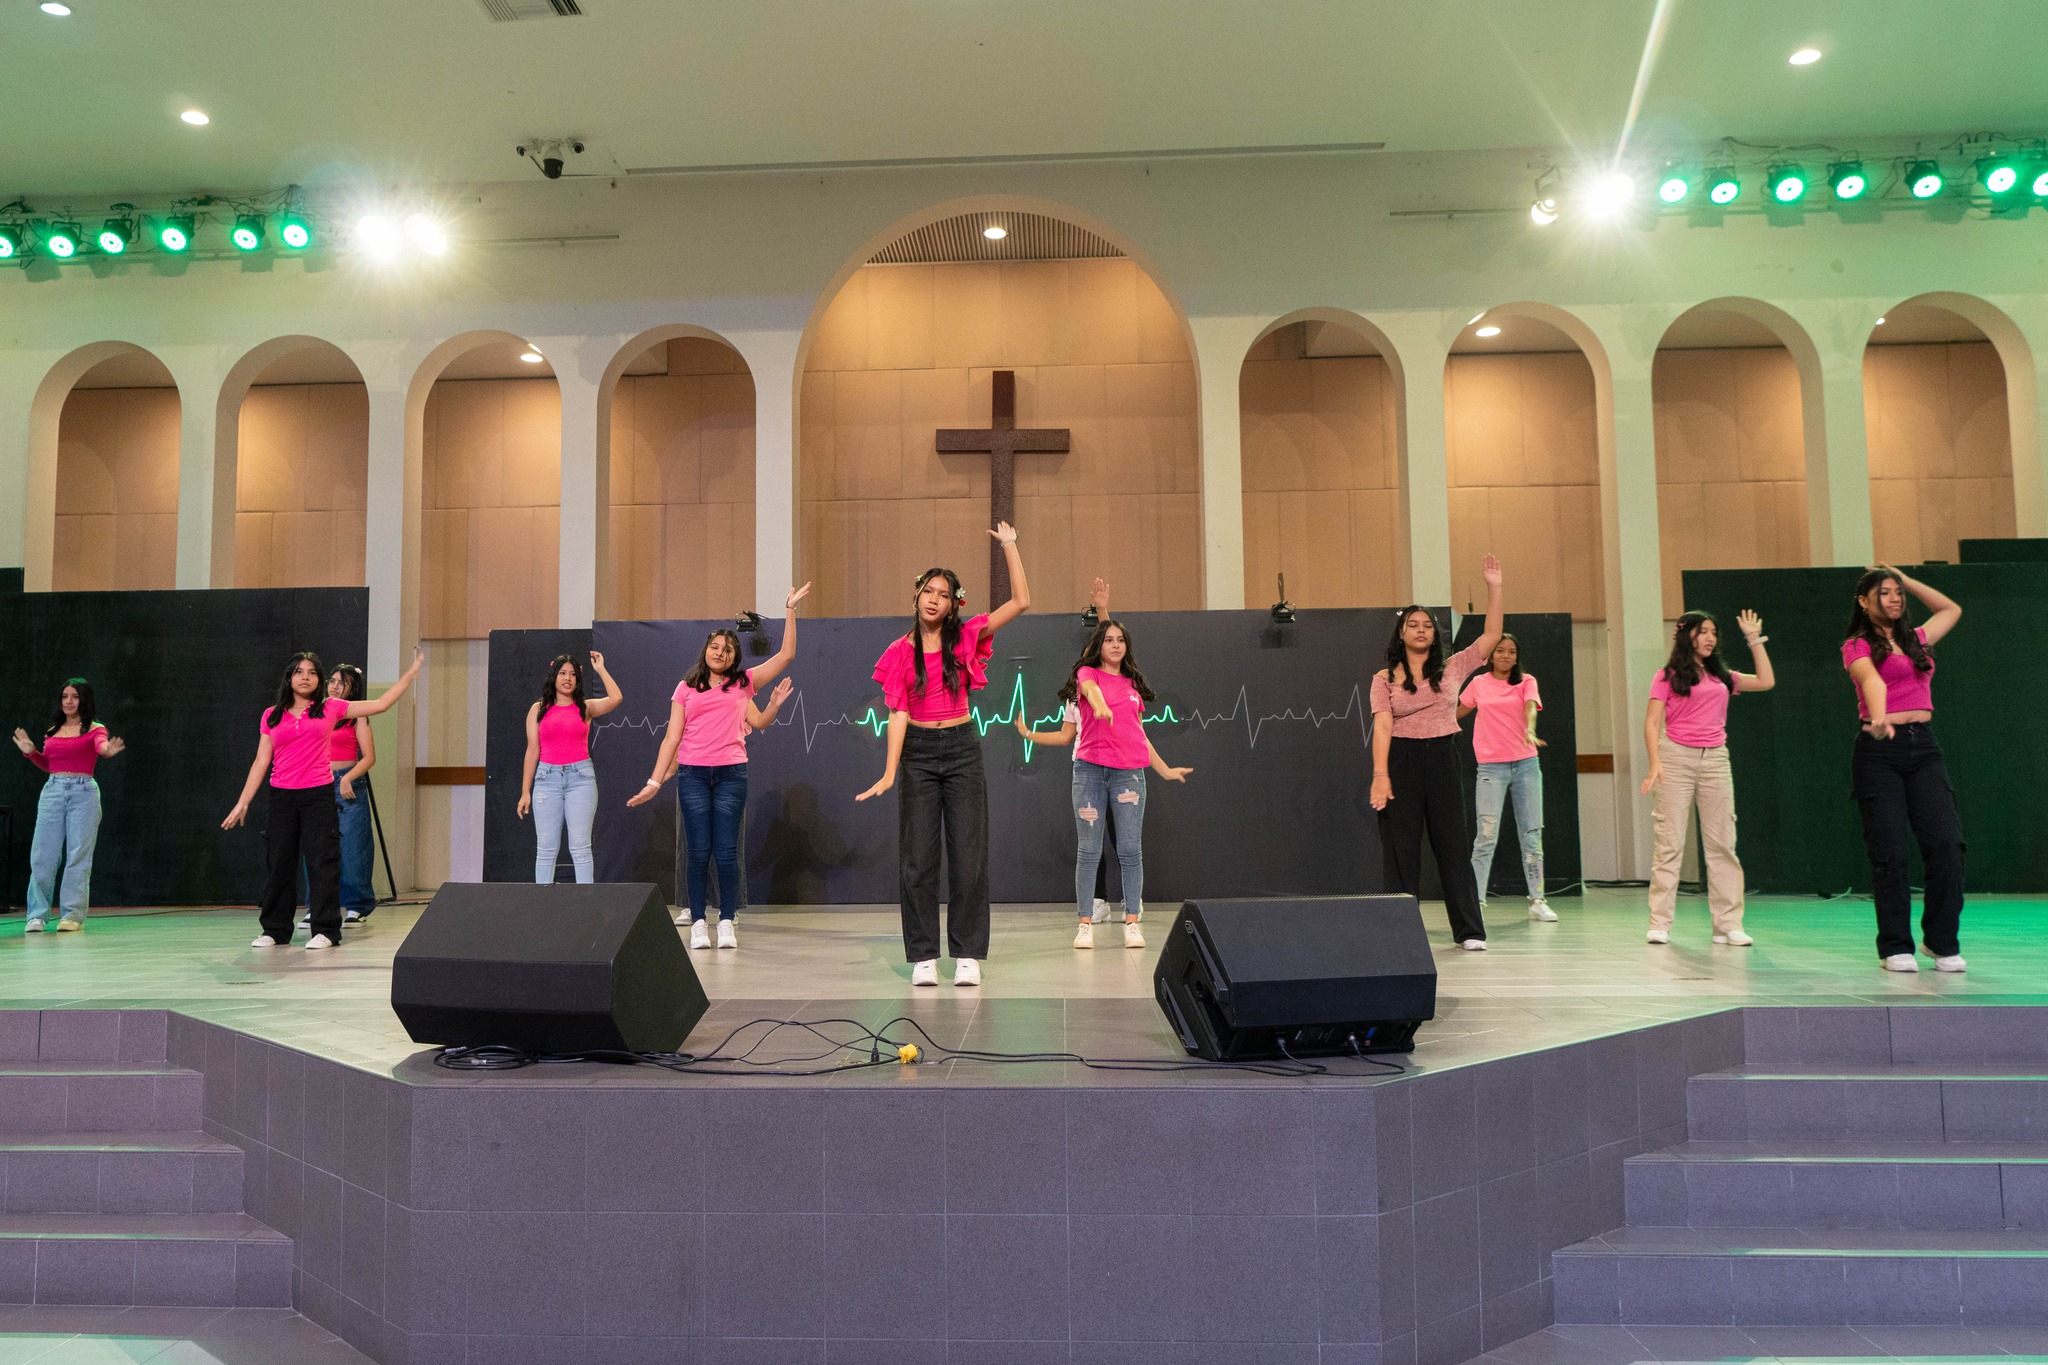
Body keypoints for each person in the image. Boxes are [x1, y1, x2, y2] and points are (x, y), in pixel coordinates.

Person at [857, 523, 1031, 987]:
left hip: (961, 750)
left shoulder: (966, 636)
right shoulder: (899, 651)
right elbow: (897, 713)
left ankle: (968, 954)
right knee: (918, 859)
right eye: (929, 592)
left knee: (969, 855)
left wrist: (1010, 546)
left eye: (944, 594)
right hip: (917, 753)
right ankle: (923, 957)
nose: (935, 599)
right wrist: (890, 771)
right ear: (916, 597)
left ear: (955, 604)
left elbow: (1020, 602)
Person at [628, 584, 809, 950]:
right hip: (692, 775)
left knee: (726, 853)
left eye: (727, 650)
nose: (720, 653)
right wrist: (654, 781)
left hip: (731, 776)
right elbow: (671, 739)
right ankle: (698, 922)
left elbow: (786, 655)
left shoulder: (744, 683)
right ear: (705, 650)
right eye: (715, 647)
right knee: (697, 853)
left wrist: (789, 610)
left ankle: (726, 921)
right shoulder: (685, 688)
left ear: (734, 657)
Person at [224, 648, 422, 949]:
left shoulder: (330, 708)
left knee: (322, 863)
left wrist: (408, 676)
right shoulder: (272, 715)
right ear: (289, 677)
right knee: (279, 864)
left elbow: (381, 704)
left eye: (312, 672)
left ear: (319, 679)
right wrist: (243, 801)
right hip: (282, 796)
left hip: (318, 795)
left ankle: (326, 930)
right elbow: (261, 760)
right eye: (299, 672)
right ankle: (275, 930)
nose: (305, 677)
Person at [1015, 617, 1192, 949]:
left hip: (1129, 775)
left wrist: (1165, 770)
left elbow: (1139, 735)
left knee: (1130, 850)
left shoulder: (1132, 685)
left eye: (1120, 640)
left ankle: (1132, 923)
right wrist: (1097, 708)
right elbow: (1091, 693)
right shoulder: (1086, 674)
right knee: (1089, 850)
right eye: (1108, 640)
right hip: (1089, 773)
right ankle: (1085, 924)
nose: (1115, 645)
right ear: (1098, 646)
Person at [1369, 557, 1503, 950]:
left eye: (1427, 625)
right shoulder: (1383, 679)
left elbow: (1492, 636)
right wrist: (1381, 775)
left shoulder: (1452, 668)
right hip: (1401, 761)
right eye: (1413, 624)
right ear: (1401, 632)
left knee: (1453, 846)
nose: (1421, 630)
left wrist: (1494, 587)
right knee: (1402, 851)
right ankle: (1400, 933)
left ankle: (1469, 931)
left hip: (1442, 757)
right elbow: (1383, 727)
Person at [1843, 565, 1966, 973]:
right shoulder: (1857, 645)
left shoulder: (1916, 639)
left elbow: (1951, 609)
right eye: (1884, 592)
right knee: (1890, 853)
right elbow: (1872, 681)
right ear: (1864, 602)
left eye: (1898, 592)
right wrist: (1879, 716)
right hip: (1879, 752)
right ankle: (1896, 946)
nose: (1894, 598)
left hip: (1923, 747)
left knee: (1947, 845)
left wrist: (1907, 579)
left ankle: (1941, 941)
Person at [1640, 609, 1775, 947]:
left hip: (1715, 758)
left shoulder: (1722, 676)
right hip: (1675, 756)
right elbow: (1652, 723)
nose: (1710, 638)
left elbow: (1766, 681)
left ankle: (1727, 924)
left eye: (1714, 632)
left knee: (1722, 843)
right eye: (1702, 631)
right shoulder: (1667, 676)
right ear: (1685, 635)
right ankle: (1660, 922)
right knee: (1670, 842)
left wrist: (1754, 639)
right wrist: (1655, 764)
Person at [13, 678, 125, 933]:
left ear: (84, 700)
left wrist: (107, 750)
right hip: (53, 791)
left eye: (74, 696)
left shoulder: (95, 729)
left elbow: (101, 746)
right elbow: (48, 764)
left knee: (78, 855)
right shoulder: (54, 730)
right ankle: (37, 916)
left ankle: (72, 915)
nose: (68, 701)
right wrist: (31, 752)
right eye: (65, 696)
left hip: (83, 793)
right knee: (42, 855)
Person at [1457, 634, 1551, 921]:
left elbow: (1530, 707)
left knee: (1532, 835)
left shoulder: (1526, 681)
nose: (1505, 656)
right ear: (1491, 655)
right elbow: (1458, 712)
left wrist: (1530, 730)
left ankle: (1537, 899)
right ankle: (1476, 902)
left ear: (1516, 656)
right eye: (1500, 650)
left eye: (1511, 651)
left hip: (1526, 765)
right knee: (1485, 837)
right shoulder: (1479, 683)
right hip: (1490, 769)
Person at [516, 651, 623, 884]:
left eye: (573, 674)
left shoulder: (585, 707)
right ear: (554, 676)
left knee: (581, 847)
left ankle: (586, 901)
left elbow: (616, 698)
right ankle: (543, 900)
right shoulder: (538, 709)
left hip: (580, 780)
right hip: (547, 780)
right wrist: (525, 792)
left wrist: (600, 669)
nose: (568, 678)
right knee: (546, 848)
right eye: (563, 673)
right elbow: (532, 751)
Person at [298, 665, 377, 928]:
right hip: (318, 783)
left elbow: (369, 757)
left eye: (342, 683)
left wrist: (347, 777)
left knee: (353, 847)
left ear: (352, 688)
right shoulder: (317, 712)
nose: (334, 686)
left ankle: (356, 906)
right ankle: (317, 906)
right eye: (331, 681)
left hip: (348, 784)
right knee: (317, 847)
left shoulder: (357, 716)